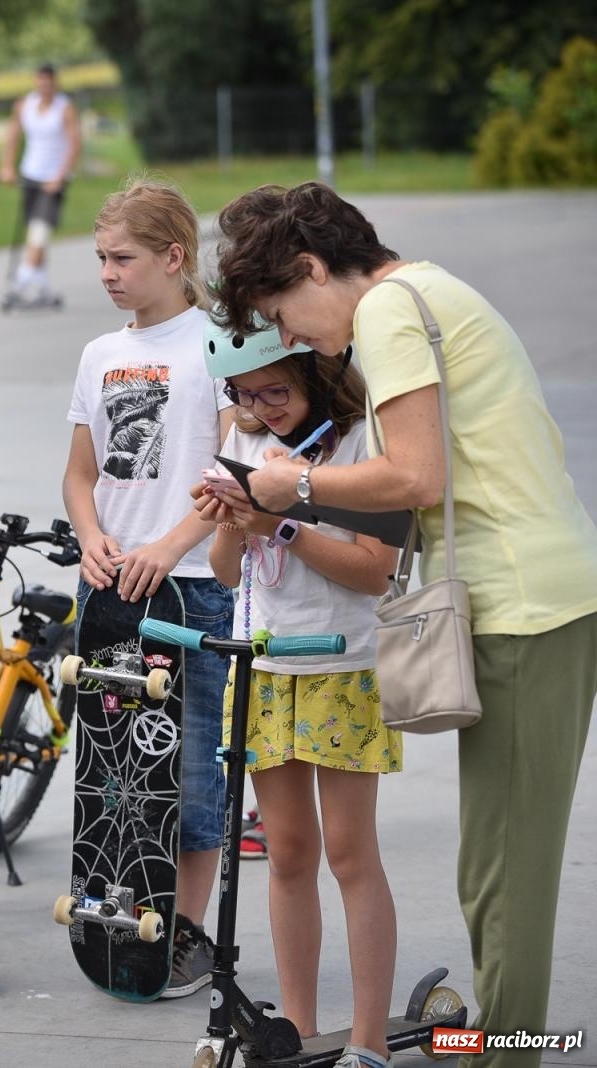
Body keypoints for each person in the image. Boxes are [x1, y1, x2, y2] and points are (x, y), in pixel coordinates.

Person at [211, 181, 597, 1068]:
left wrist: (288, 490)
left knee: (506, 882)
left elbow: (413, 476)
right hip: (528, 599)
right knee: (492, 874)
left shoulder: (386, 309)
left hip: (527, 605)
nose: (297, 339)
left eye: (285, 312)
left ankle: (512, 1055)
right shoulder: (425, 290)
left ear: (313, 268)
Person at [196, 320, 402, 1068]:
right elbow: (225, 573)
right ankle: (300, 1034)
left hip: (341, 667)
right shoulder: (247, 439)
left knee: (350, 854)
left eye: (274, 391)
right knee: (285, 854)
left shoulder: (361, 444)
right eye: (244, 395)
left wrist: (280, 527)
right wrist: (231, 520)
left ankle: (369, 1041)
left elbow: (375, 569)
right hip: (264, 668)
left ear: (315, 372)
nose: (260, 406)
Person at [60, 179, 235, 998]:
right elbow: (79, 474)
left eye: (122, 257)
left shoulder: (218, 344)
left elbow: (234, 475)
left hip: (193, 592)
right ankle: (123, 917)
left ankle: (186, 931)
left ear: (175, 256)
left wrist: (169, 546)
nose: (107, 273)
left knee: (189, 775)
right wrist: (92, 536)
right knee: (115, 775)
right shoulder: (100, 355)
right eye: (100, 257)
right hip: (113, 597)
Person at [0, 63, 82, 303]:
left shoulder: (65, 108)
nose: (45, 86)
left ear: (55, 83)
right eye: (41, 81)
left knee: (40, 231)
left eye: (49, 82)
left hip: (53, 179)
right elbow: (13, 135)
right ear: (36, 82)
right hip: (30, 175)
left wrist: (61, 176)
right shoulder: (25, 105)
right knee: (33, 230)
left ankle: (20, 283)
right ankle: (41, 285)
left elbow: (75, 144)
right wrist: (7, 166)